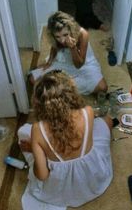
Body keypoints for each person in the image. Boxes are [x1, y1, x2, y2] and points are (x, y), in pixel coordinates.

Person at [19, 71, 113, 209]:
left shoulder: (38, 129)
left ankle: (42, 150)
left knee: (22, 132)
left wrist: (36, 149)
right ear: (71, 93)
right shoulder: (88, 112)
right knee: (108, 121)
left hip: (61, 183)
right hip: (89, 174)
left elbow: (43, 176)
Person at [29, 11, 108, 95]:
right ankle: (62, 87)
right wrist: (49, 62)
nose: (62, 40)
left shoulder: (83, 34)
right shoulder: (56, 38)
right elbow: (54, 46)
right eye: (57, 37)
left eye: (65, 35)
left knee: (102, 87)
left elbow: (79, 65)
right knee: (33, 78)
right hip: (64, 60)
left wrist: (73, 48)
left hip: (83, 63)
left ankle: (60, 88)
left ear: (71, 29)